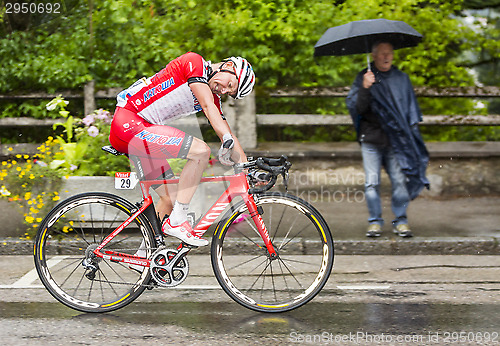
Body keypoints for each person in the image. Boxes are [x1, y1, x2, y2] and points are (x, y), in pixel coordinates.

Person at [109, 52, 255, 246]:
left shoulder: (211, 96)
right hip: (129, 122)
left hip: (141, 132)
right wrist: (225, 139)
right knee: (201, 151)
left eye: (230, 93)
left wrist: (247, 167)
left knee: (171, 198)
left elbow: (225, 129)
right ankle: (178, 221)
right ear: (228, 66)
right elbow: (207, 106)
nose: (224, 91)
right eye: (230, 85)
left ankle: (147, 255)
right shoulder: (194, 63)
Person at [346, 42, 429, 238]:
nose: (386, 57)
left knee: (400, 181)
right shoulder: (364, 77)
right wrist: (366, 87)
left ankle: (401, 221)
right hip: (371, 139)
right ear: (373, 56)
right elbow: (358, 109)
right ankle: (375, 222)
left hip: (395, 140)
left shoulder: (401, 79)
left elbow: (409, 110)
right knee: (371, 183)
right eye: (382, 54)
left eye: (389, 53)